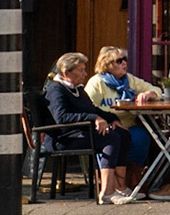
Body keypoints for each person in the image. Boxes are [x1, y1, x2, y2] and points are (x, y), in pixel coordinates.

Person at [43, 52, 135, 204]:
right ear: (66, 72)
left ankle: (120, 186)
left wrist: (113, 118)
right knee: (110, 138)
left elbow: (92, 109)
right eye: (80, 70)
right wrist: (93, 118)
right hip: (63, 138)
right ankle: (107, 192)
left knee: (122, 134)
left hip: (80, 132)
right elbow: (61, 117)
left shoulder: (78, 89)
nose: (85, 74)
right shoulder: (56, 90)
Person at [82, 45, 160, 190]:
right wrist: (107, 120)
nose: (124, 63)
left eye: (125, 59)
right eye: (119, 61)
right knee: (116, 138)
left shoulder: (129, 80)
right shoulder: (97, 82)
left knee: (141, 137)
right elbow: (88, 107)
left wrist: (149, 94)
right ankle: (113, 182)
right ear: (107, 64)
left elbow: (156, 89)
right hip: (108, 126)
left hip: (129, 124)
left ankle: (133, 177)